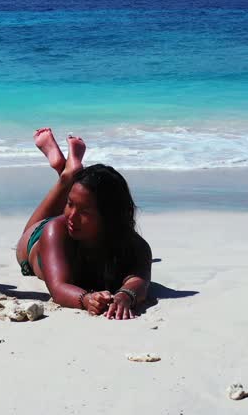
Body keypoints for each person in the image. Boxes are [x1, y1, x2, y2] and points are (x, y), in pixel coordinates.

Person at [15, 129, 152, 320]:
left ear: (109, 216)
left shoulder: (134, 244)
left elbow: (140, 278)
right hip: (35, 239)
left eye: (84, 212)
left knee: (77, 200)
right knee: (32, 230)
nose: (72, 215)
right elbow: (58, 288)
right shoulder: (56, 230)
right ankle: (66, 177)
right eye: (69, 204)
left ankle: (67, 172)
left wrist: (125, 296)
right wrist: (87, 299)